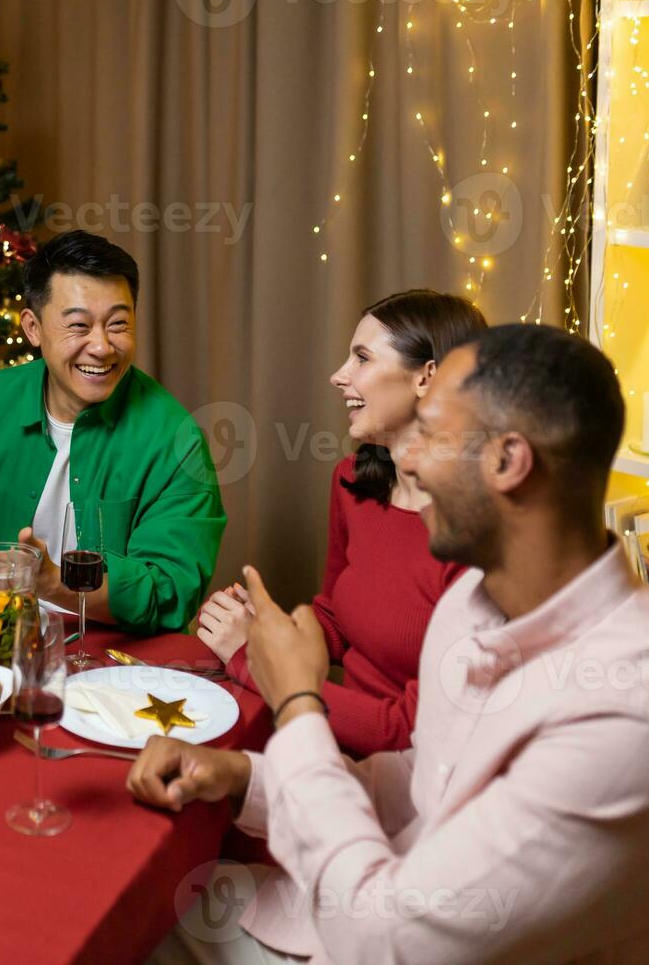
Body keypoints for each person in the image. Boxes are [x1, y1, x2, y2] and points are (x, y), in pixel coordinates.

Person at [131, 325, 649, 963]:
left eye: (429, 433)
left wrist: (297, 705)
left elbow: (387, 944)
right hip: (381, 911)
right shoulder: (474, 600)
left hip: (390, 938)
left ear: (508, 462)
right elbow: (427, 784)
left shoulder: (638, 716)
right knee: (140, 915)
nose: (405, 459)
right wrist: (246, 778)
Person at [197, 291, 486, 755]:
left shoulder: (477, 536)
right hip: (337, 751)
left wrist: (255, 661)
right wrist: (268, 630)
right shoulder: (354, 481)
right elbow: (337, 616)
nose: (338, 376)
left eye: (362, 358)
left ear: (427, 377)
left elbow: (408, 731)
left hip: (416, 784)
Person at [0, 230, 225, 633]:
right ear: (32, 328)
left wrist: (55, 584)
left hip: (111, 660)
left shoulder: (176, 440)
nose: (102, 346)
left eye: (118, 324)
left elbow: (169, 589)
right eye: (79, 325)